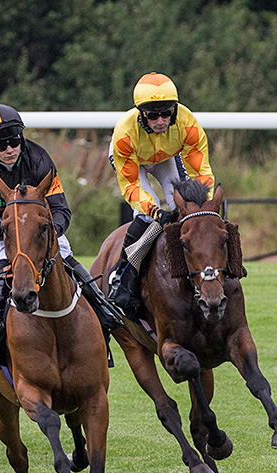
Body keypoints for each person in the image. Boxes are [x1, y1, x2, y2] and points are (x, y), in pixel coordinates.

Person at [0, 104, 123, 347]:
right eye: (0, 145)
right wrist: (11, 233)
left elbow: (60, 208)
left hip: (42, 230)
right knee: (3, 269)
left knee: (68, 259)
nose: (9, 149)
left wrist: (51, 232)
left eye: (14, 141)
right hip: (6, 231)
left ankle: (103, 310)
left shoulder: (39, 158)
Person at [108, 72, 215, 320]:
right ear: (141, 113)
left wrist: (202, 203)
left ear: (174, 111)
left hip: (166, 156)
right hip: (132, 161)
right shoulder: (125, 132)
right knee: (149, 213)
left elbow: (201, 172)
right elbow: (132, 186)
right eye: (152, 115)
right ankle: (122, 273)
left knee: (187, 206)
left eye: (166, 113)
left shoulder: (188, 123)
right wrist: (154, 211)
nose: (160, 120)